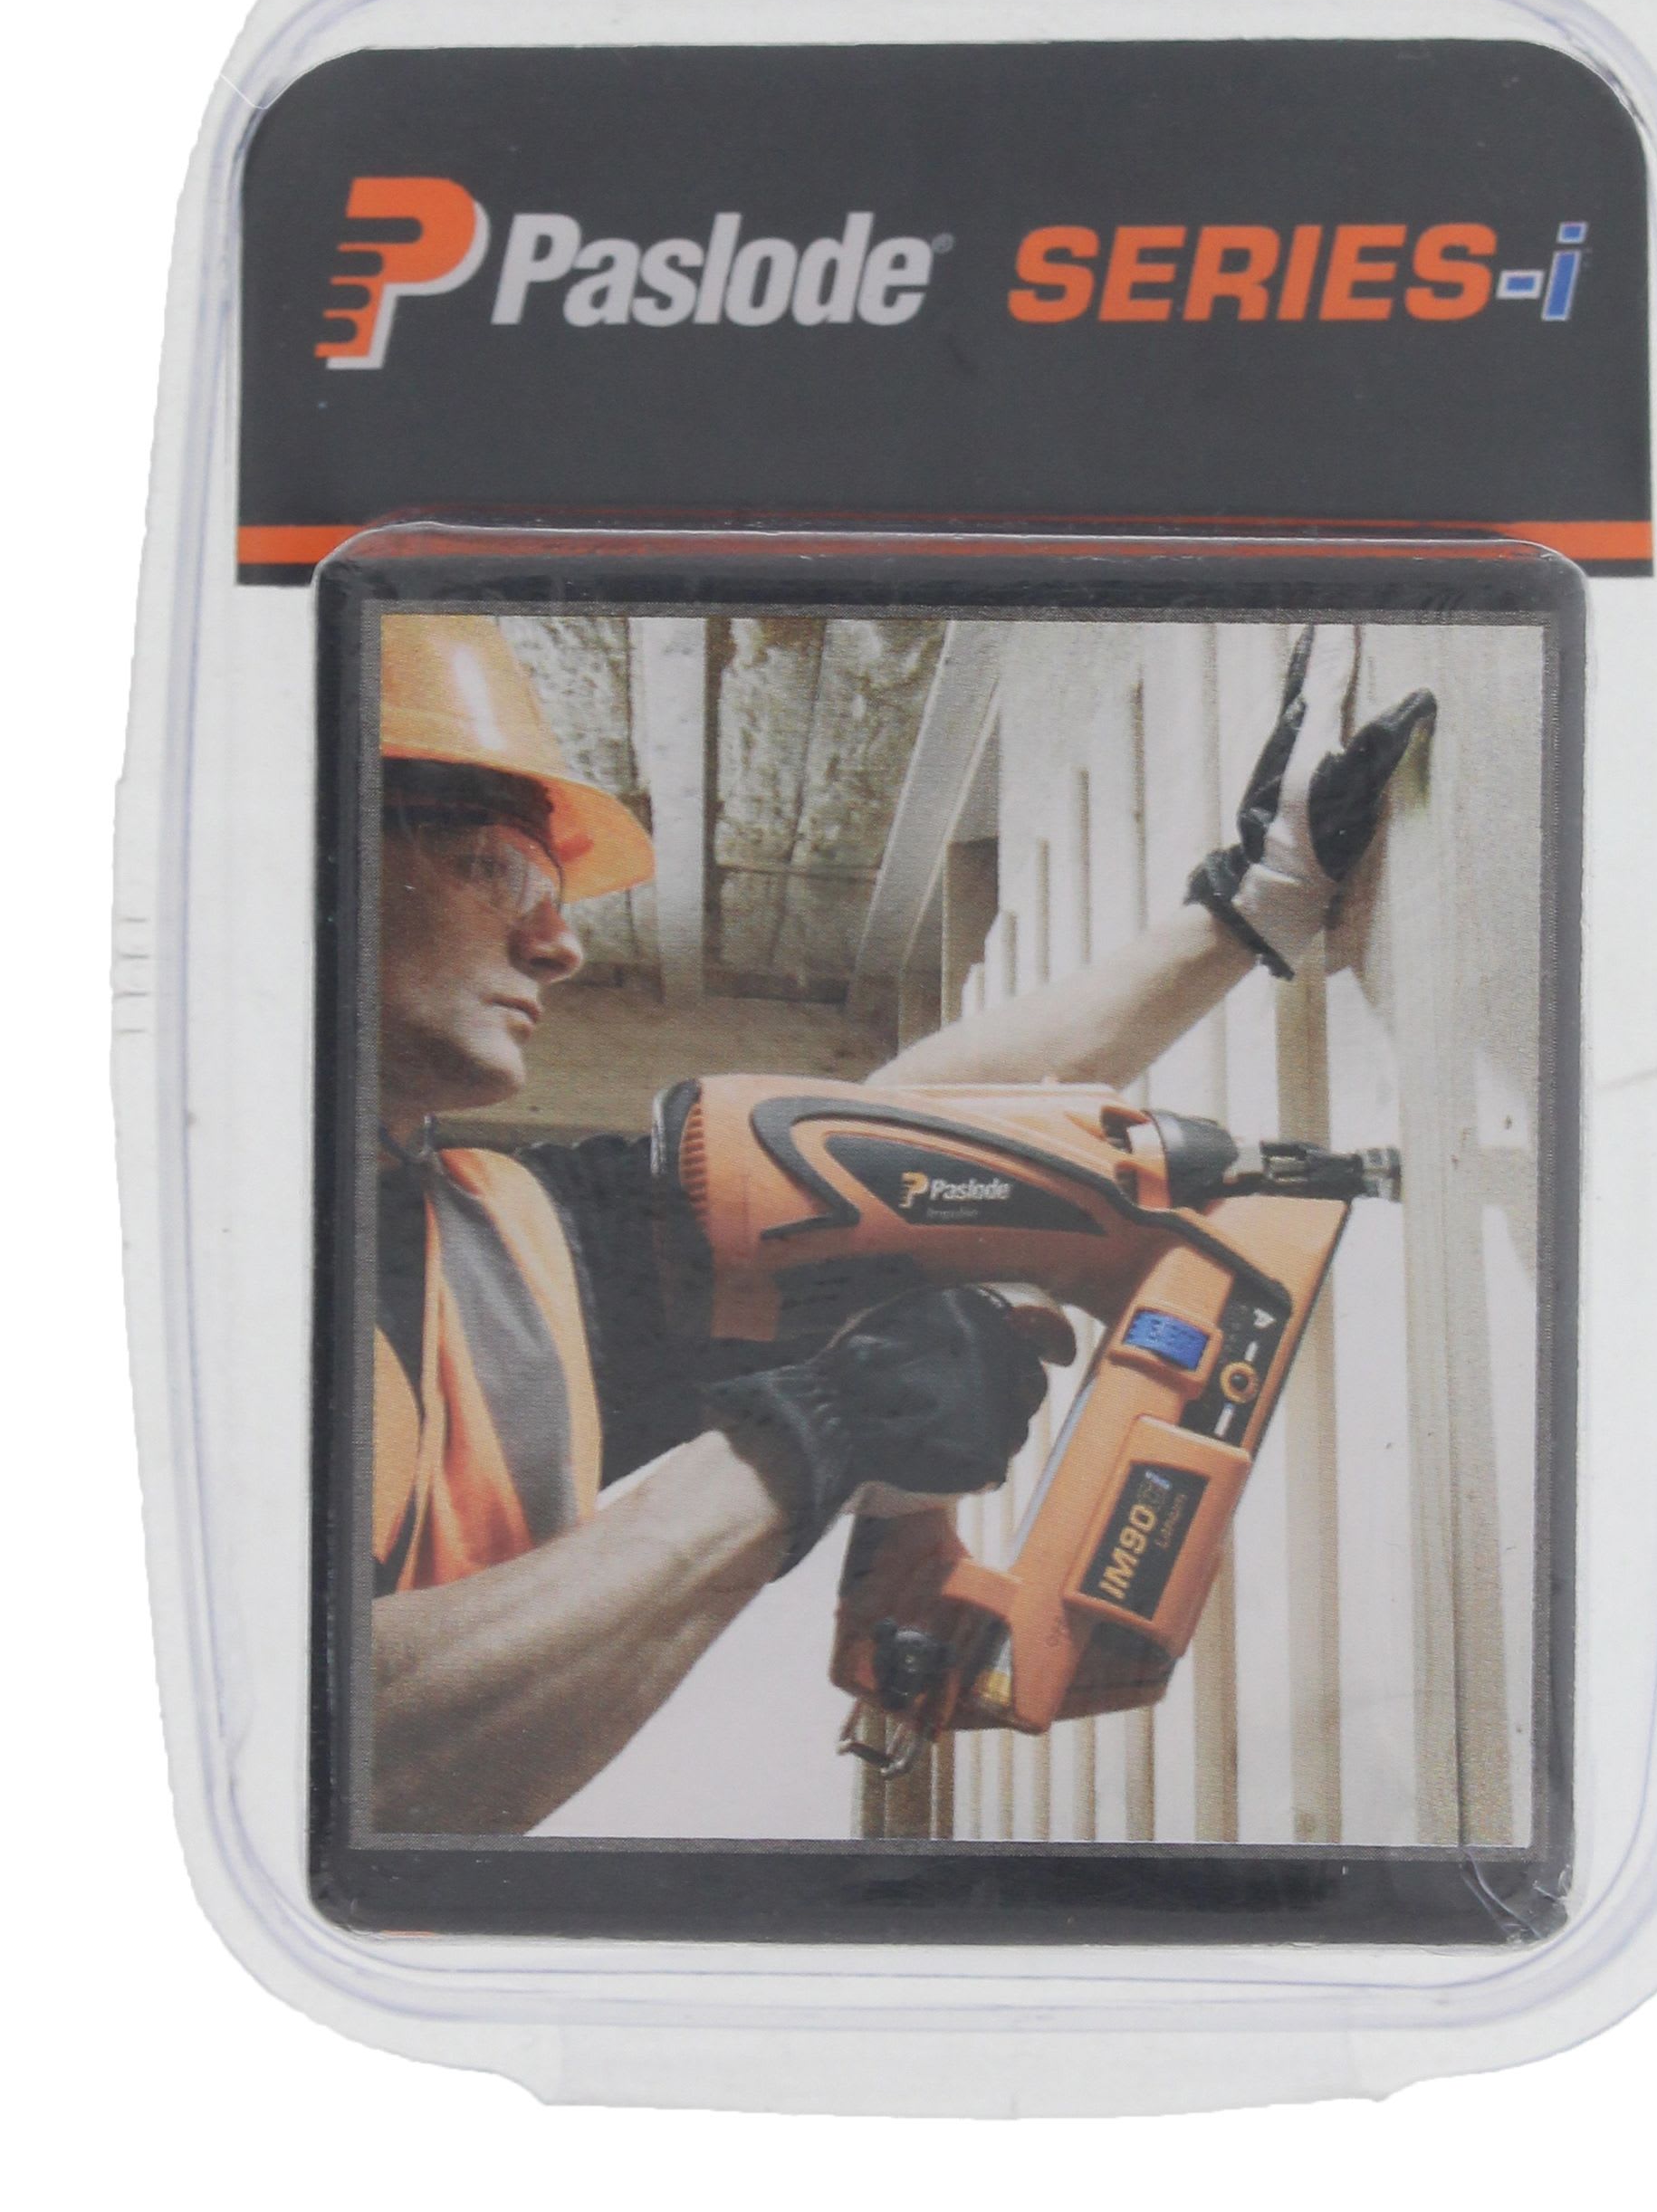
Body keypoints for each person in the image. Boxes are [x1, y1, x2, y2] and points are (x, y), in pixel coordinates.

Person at [369, 614, 1431, 1834]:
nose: (557, 944)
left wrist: (1247, 913)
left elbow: (865, 1161)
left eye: (553, 891)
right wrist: (815, 1438)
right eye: (496, 868)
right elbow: (342, 1758)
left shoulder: (486, 1228)